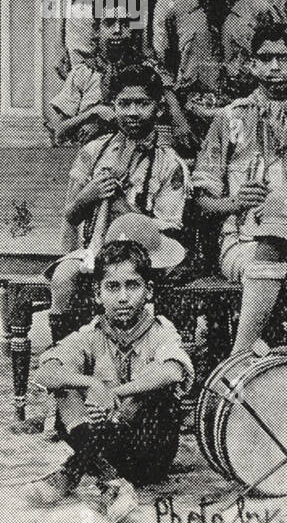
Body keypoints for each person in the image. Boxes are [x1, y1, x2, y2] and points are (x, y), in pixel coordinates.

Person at [192, 23, 287, 354]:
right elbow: (203, 199)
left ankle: (242, 357)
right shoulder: (231, 118)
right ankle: (250, 357)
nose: (274, 67)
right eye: (265, 59)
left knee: (283, 253)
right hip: (242, 244)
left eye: (284, 58)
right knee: (266, 253)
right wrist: (234, 203)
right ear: (251, 64)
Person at [29, 239, 194, 523]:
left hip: (149, 451)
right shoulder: (91, 334)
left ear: (148, 291)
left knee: (148, 391)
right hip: (105, 449)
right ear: (98, 293)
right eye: (112, 287)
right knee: (65, 388)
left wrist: (115, 393)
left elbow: (173, 371)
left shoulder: (161, 330)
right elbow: (45, 370)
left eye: (132, 286)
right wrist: (93, 385)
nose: (123, 297)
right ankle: (111, 480)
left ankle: (70, 472)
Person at [46, 63, 189, 346]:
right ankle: (62, 354)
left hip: (147, 252)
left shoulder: (169, 163)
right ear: (113, 106)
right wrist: (89, 195)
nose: (133, 113)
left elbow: (167, 231)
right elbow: (70, 215)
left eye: (142, 104)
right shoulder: (94, 151)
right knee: (63, 276)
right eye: (124, 104)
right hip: (97, 247)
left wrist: (121, 203)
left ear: (158, 109)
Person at [45, 0, 188, 150]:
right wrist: (93, 113)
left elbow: (174, 123)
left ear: (133, 30)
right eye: (109, 23)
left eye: (125, 24)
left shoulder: (148, 70)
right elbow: (59, 133)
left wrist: (104, 124)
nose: (117, 30)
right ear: (97, 30)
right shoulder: (84, 73)